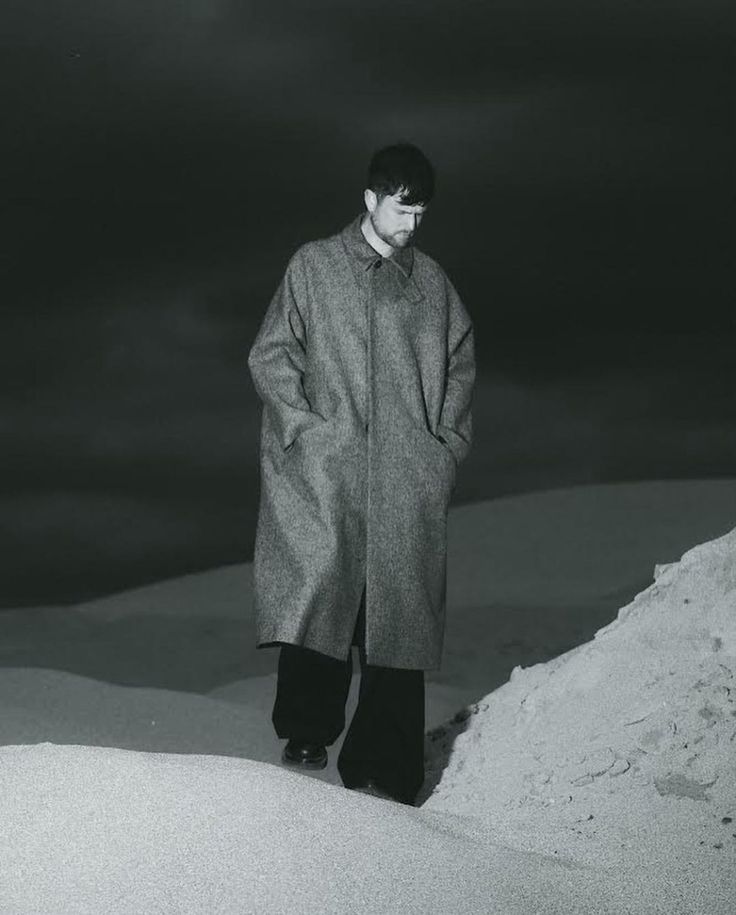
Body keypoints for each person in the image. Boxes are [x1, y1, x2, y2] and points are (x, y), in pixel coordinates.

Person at [247, 142, 475, 806]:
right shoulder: (314, 267)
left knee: (395, 619)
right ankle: (306, 732)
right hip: (330, 468)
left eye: (421, 213)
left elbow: (460, 366)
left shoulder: (432, 285)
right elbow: (272, 352)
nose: (411, 225)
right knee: (323, 587)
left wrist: (443, 449)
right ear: (370, 198)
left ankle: (384, 770)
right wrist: (305, 430)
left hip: (407, 476)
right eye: (402, 209)